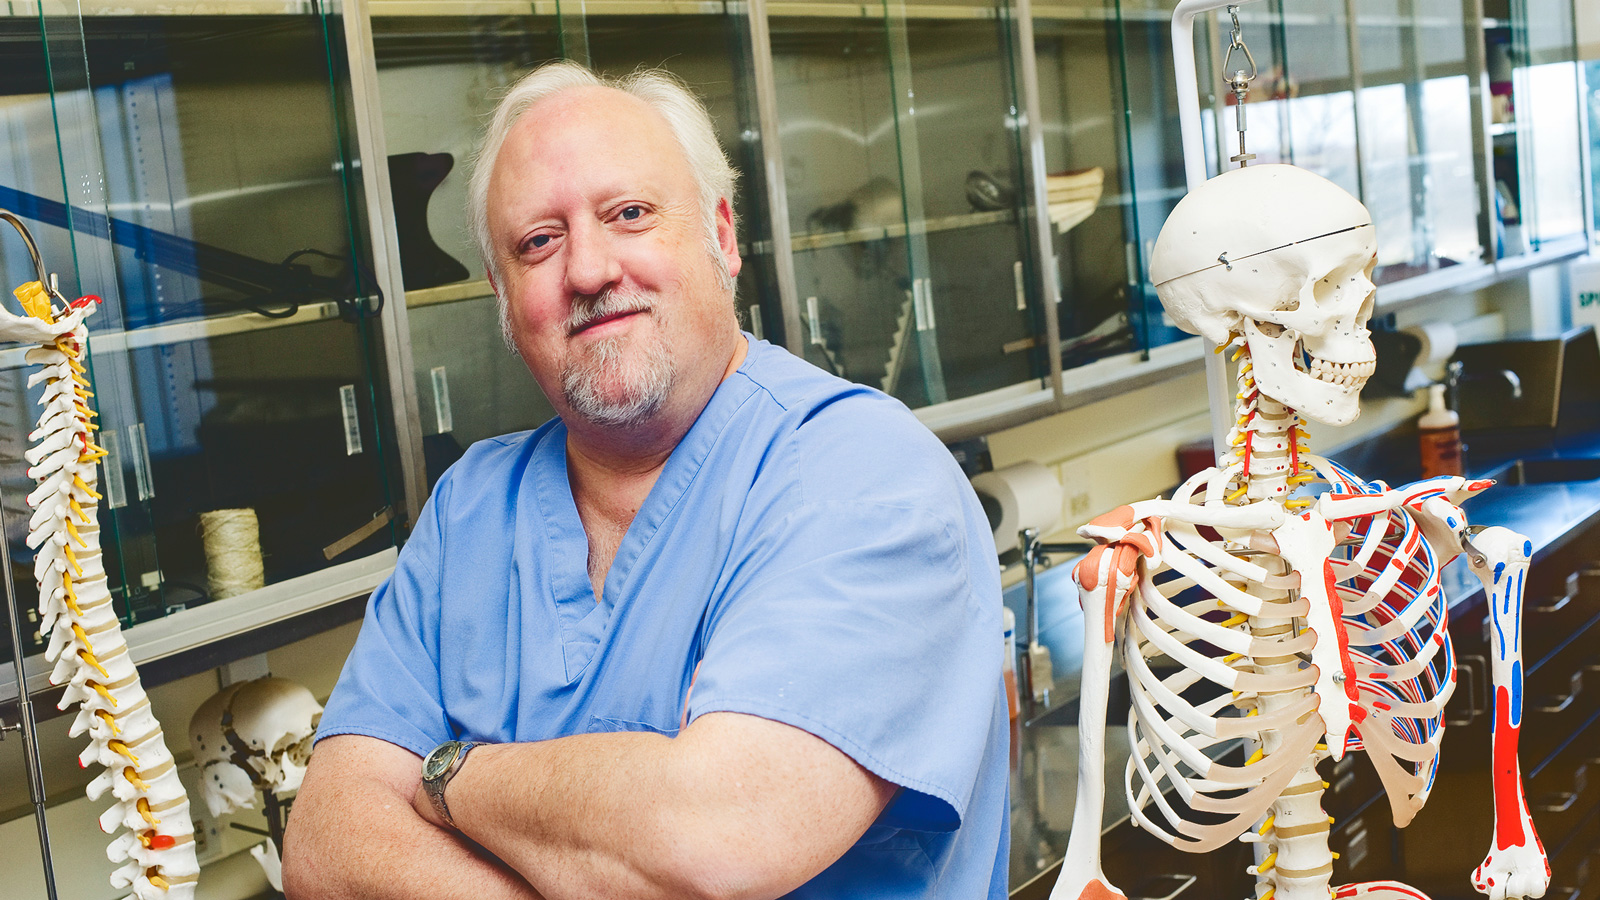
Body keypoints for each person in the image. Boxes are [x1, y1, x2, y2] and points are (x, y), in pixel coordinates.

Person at [282, 61, 1009, 899]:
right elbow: (328, 847)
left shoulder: (859, 473)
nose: (588, 271)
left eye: (629, 214)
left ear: (722, 237)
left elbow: (721, 839)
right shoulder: (470, 511)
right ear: (503, 298)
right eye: (538, 243)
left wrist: (449, 777)